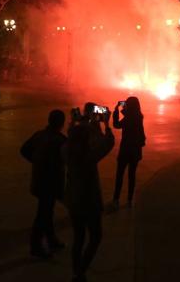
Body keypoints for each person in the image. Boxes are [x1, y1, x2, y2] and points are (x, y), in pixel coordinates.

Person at [63, 103, 115, 282]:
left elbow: (72, 138)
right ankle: (80, 272)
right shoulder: (89, 156)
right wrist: (105, 124)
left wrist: (73, 123)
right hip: (89, 201)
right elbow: (107, 143)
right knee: (96, 236)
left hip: (73, 200)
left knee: (78, 238)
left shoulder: (67, 151)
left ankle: (76, 271)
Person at [21, 109, 68, 258]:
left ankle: (51, 239)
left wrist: (36, 162)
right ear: (61, 123)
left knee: (47, 212)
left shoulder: (39, 135)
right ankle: (36, 247)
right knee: (43, 214)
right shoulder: (61, 140)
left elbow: (24, 150)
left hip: (39, 181)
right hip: (51, 183)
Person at [112, 97, 145, 209]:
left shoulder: (128, 118)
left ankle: (116, 199)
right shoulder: (139, 117)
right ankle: (130, 200)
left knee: (119, 175)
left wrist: (116, 110)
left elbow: (116, 125)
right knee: (132, 176)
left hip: (125, 150)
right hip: (135, 151)